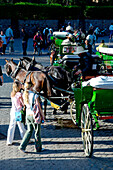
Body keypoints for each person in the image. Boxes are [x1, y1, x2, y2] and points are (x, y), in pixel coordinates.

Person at [19, 82, 44, 153]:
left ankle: (22, 146)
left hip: (28, 115)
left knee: (29, 131)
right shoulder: (35, 95)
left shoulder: (24, 95)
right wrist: (43, 116)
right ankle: (38, 148)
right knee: (37, 132)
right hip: (34, 116)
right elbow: (39, 107)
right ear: (31, 87)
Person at [7, 81, 26, 146]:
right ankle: (25, 139)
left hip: (12, 111)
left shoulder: (12, 93)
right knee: (21, 126)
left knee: (11, 126)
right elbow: (23, 103)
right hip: (18, 112)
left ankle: (9, 141)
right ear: (18, 87)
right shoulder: (19, 94)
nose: (21, 85)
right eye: (20, 84)